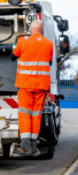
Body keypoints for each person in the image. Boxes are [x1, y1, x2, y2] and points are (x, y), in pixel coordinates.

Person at [10, 21, 53, 157]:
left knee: (25, 113)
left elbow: (13, 56)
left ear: (31, 30)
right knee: (36, 114)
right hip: (41, 85)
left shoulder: (23, 41)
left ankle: (25, 146)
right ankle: (33, 145)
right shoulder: (48, 43)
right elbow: (49, 61)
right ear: (41, 30)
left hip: (25, 84)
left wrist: (15, 46)